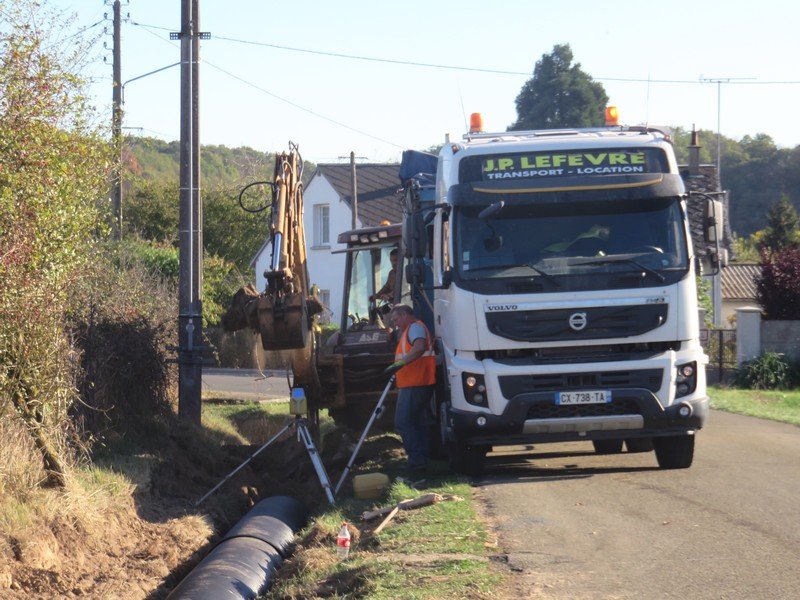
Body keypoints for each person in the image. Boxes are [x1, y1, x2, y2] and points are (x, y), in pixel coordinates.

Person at [386, 304, 435, 474]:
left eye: (396, 319)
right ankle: (421, 460)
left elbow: (419, 347)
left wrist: (400, 363)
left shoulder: (415, 328)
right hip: (416, 382)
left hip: (416, 383)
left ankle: (416, 461)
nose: (395, 323)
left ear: (405, 315)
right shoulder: (412, 329)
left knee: (403, 421)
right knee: (417, 422)